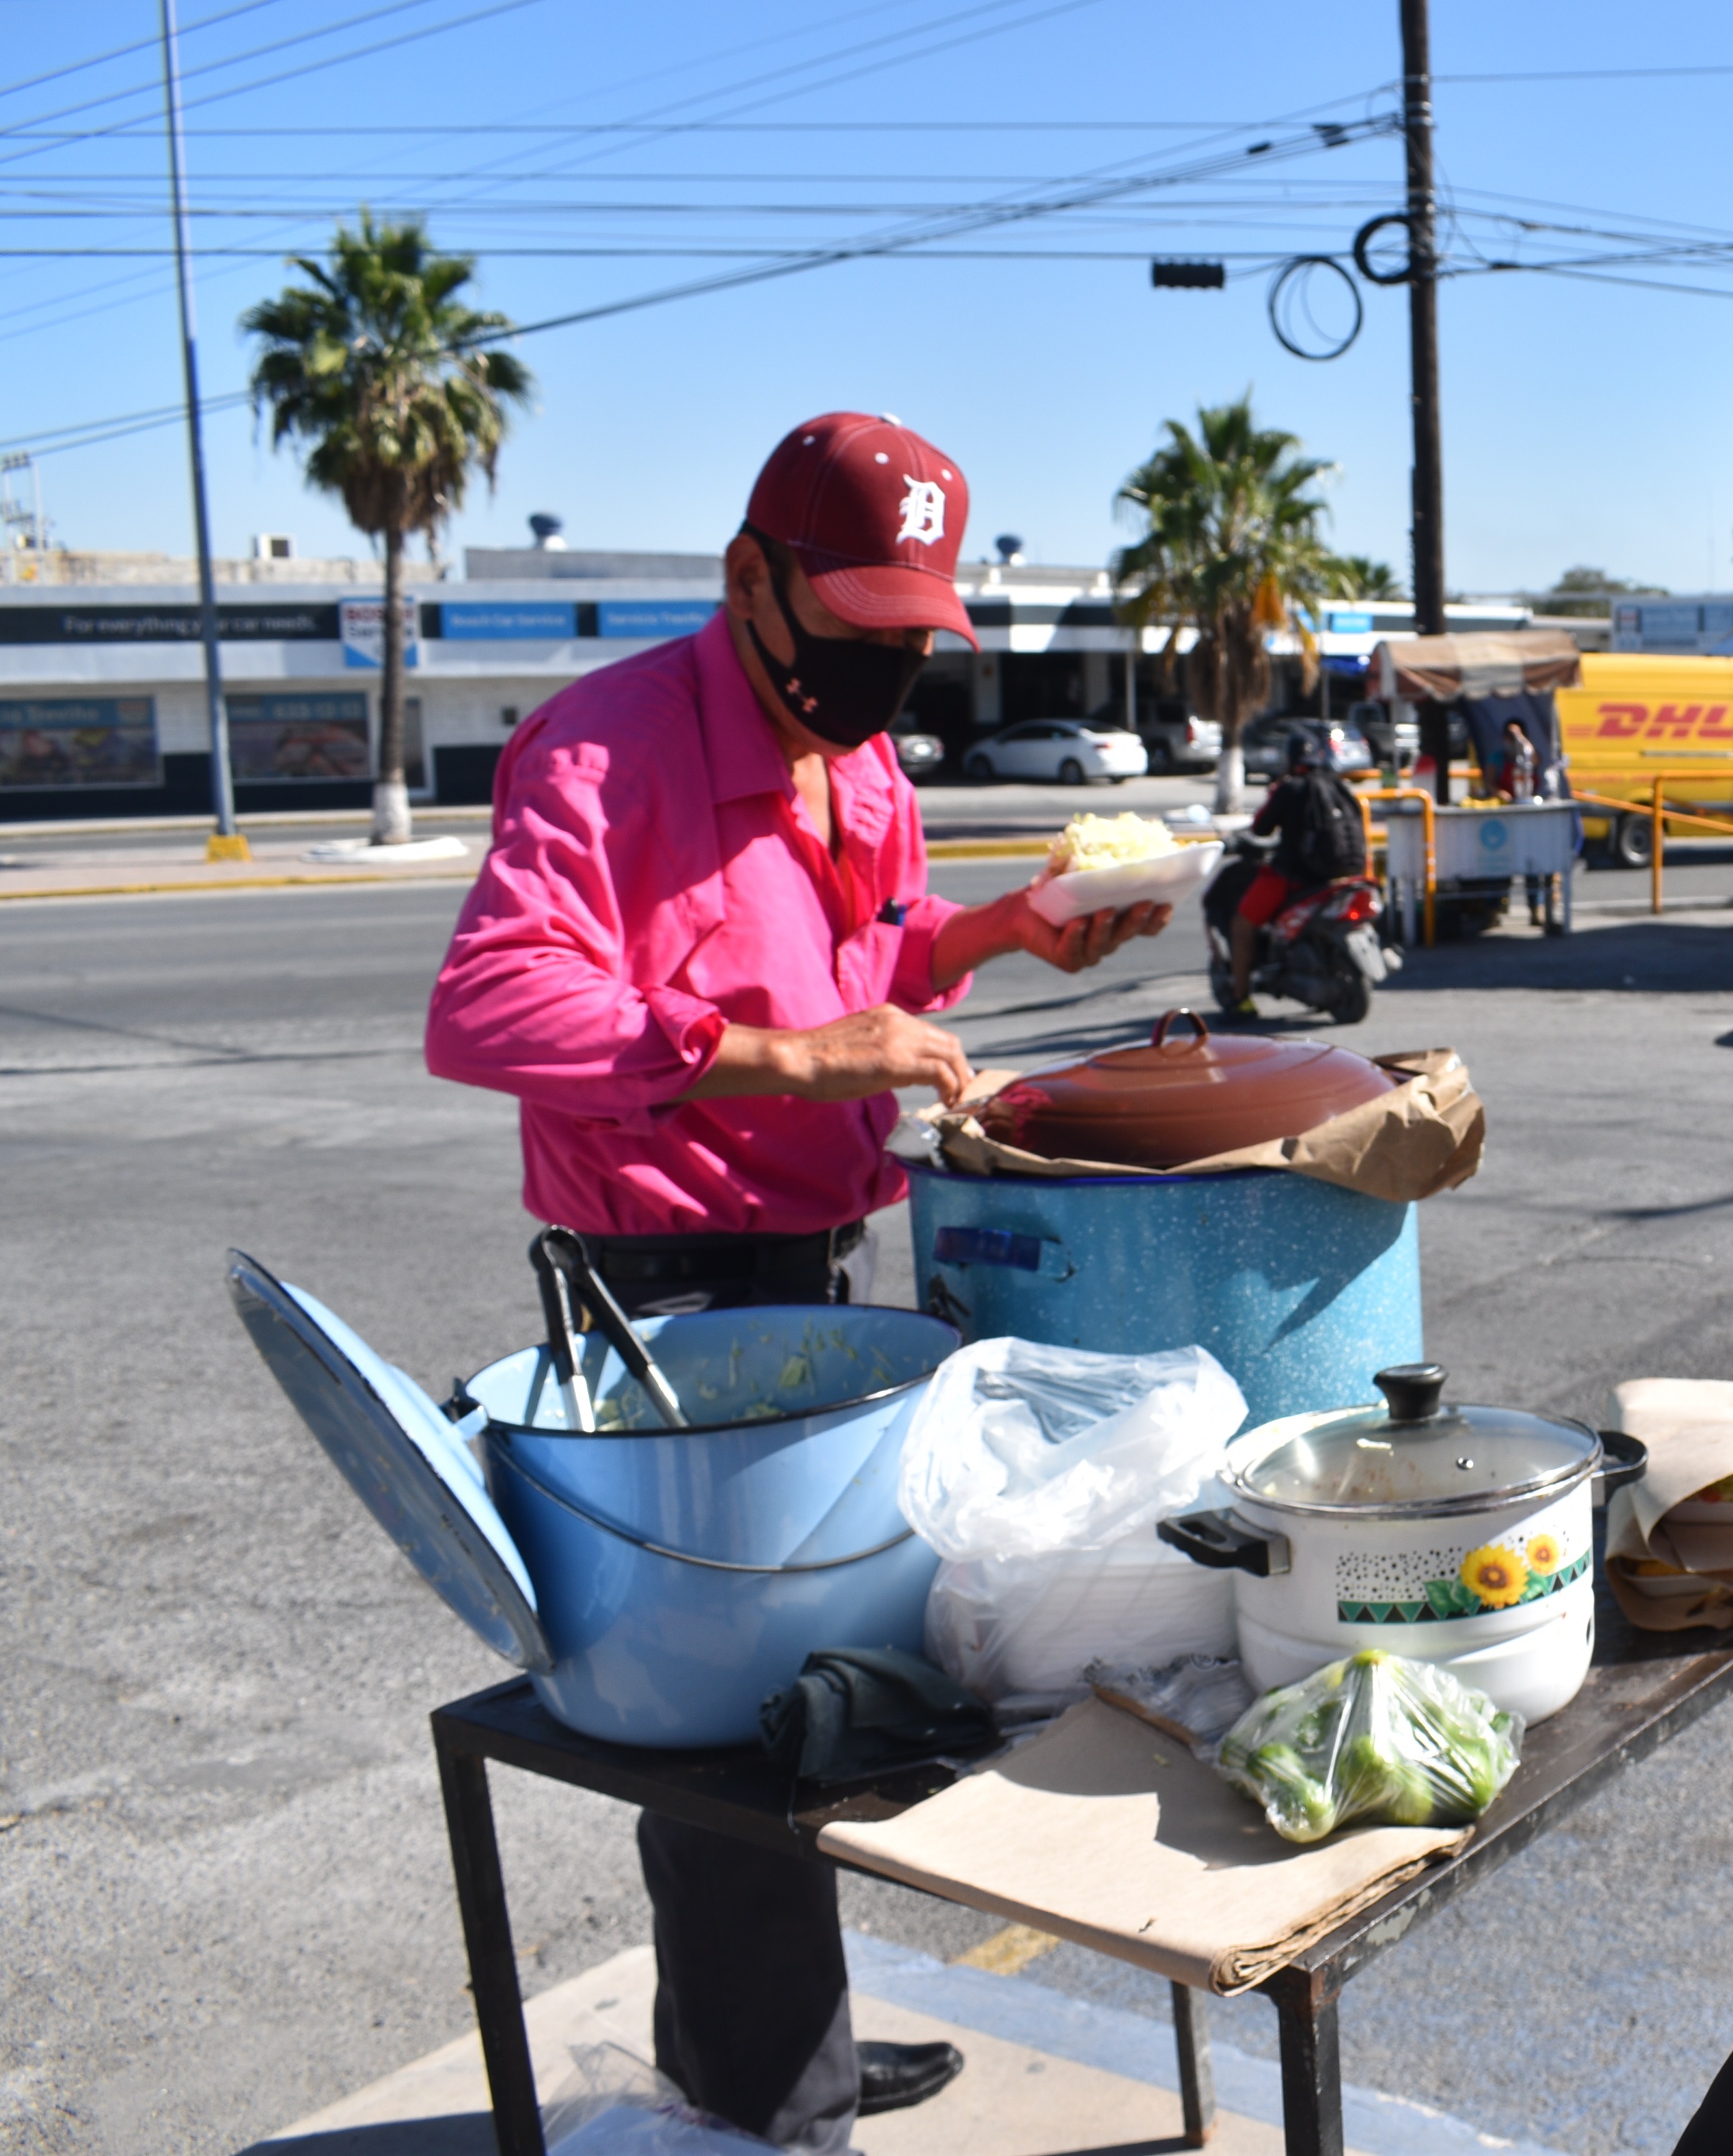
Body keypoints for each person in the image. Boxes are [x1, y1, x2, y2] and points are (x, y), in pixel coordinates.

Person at [426, 412, 1167, 2152]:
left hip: (821, 1259)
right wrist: (773, 1053)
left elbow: (878, 958)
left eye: (909, 642)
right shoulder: (602, 751)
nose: (877, 672)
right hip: (666, 1285)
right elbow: (488, 1008)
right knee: (706, 1712)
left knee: (822, 1682)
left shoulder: (872, 766)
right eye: (848, 631)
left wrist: (998, 935)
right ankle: (769, 2100)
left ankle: (783, 2044)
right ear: (748, 578)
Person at [1223, 729, 1366, 1011]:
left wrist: (1275, 792)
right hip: (1344, 876)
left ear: (1289, 759)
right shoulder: (1338, 786)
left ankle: (1241, 999)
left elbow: (1261, 828)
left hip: (1296, 878)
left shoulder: (1290, 789)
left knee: (1241, 926)